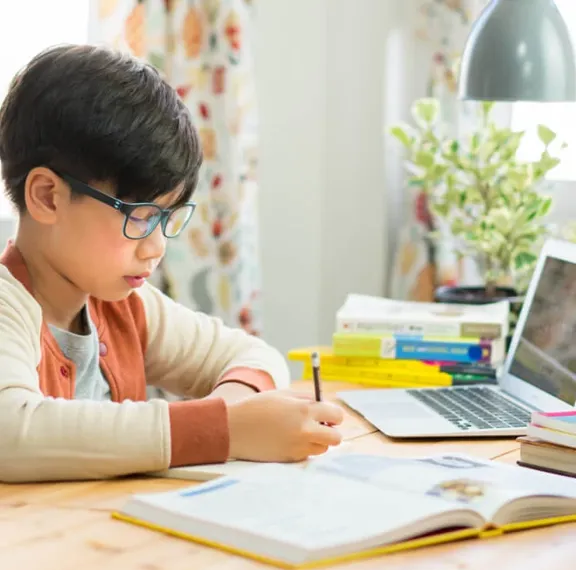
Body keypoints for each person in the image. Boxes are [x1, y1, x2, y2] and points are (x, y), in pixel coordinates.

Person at [0, 44, 343, 483]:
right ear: (48, 196)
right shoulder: (8, 308)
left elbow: (252, 354)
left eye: (167, 218)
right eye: (140, 217)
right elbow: (13, 431)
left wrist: (234, 409)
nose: (156, 247)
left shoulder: (125, 306)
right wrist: (224, 430)